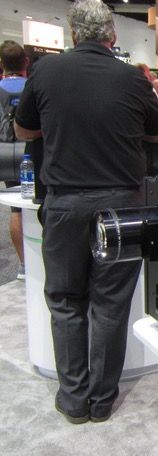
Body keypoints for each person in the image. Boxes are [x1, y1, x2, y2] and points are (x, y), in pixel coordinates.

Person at [14, 0, 158, 425]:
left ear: (72, 32)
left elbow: (23, 129)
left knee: (65, 300)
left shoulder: (45, 71)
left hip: (64, 203)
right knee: (110, 304)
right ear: (113, 35)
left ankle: (73, 399)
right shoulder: (133, 78)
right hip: (122, 206)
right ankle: (102, 401)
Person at [0, 40, 28, 280]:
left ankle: (23, 265)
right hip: (33, 152)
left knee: (16, 209)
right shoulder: (34, 87)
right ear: (25, 62)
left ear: (2, 64)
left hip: (5, 156)